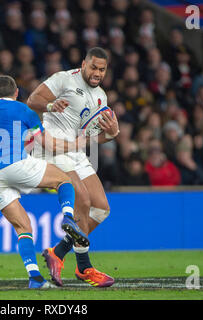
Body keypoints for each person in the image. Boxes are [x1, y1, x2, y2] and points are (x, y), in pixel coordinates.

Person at [0, 75, 88, 289]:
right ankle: (68, 217)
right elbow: (46, 143)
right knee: (63, 180)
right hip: (14, 164)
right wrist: (76, 143)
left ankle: (35, 277)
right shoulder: (24, 110)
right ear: (16, 92)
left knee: (23, 226)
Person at [27, 47, 119, 287]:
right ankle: (84, 268)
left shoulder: (101, 97)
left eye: (102, 69)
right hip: (54, 148)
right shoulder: (64, 79)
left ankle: (57, 252)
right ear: (84, 64)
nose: (97, 73)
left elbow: (91, 137)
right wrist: (49, 106)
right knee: (83, 203)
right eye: (94, 67)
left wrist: (111, 135)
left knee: (100, 209)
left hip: (76, 151)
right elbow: (32, 100)